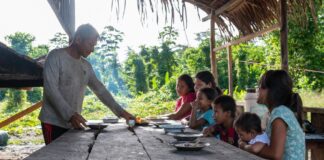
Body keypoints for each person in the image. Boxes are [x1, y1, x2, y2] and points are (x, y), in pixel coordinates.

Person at [39, 24, 134, 145]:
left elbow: (101, 91)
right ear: (78, 39)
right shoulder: (55, 56)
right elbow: (51, 90)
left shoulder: (86, 66)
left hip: (73, 122)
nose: (92, 49)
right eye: (90, 44)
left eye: (94, 46)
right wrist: (70, 115)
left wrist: (122, 112)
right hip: (53, 122)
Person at [255, 70, 305, 160]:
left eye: (262, 87)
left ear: (273, 92)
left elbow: (275, 155)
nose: (258, 89)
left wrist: (250, 148)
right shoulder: (280, 112)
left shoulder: (280, 113)